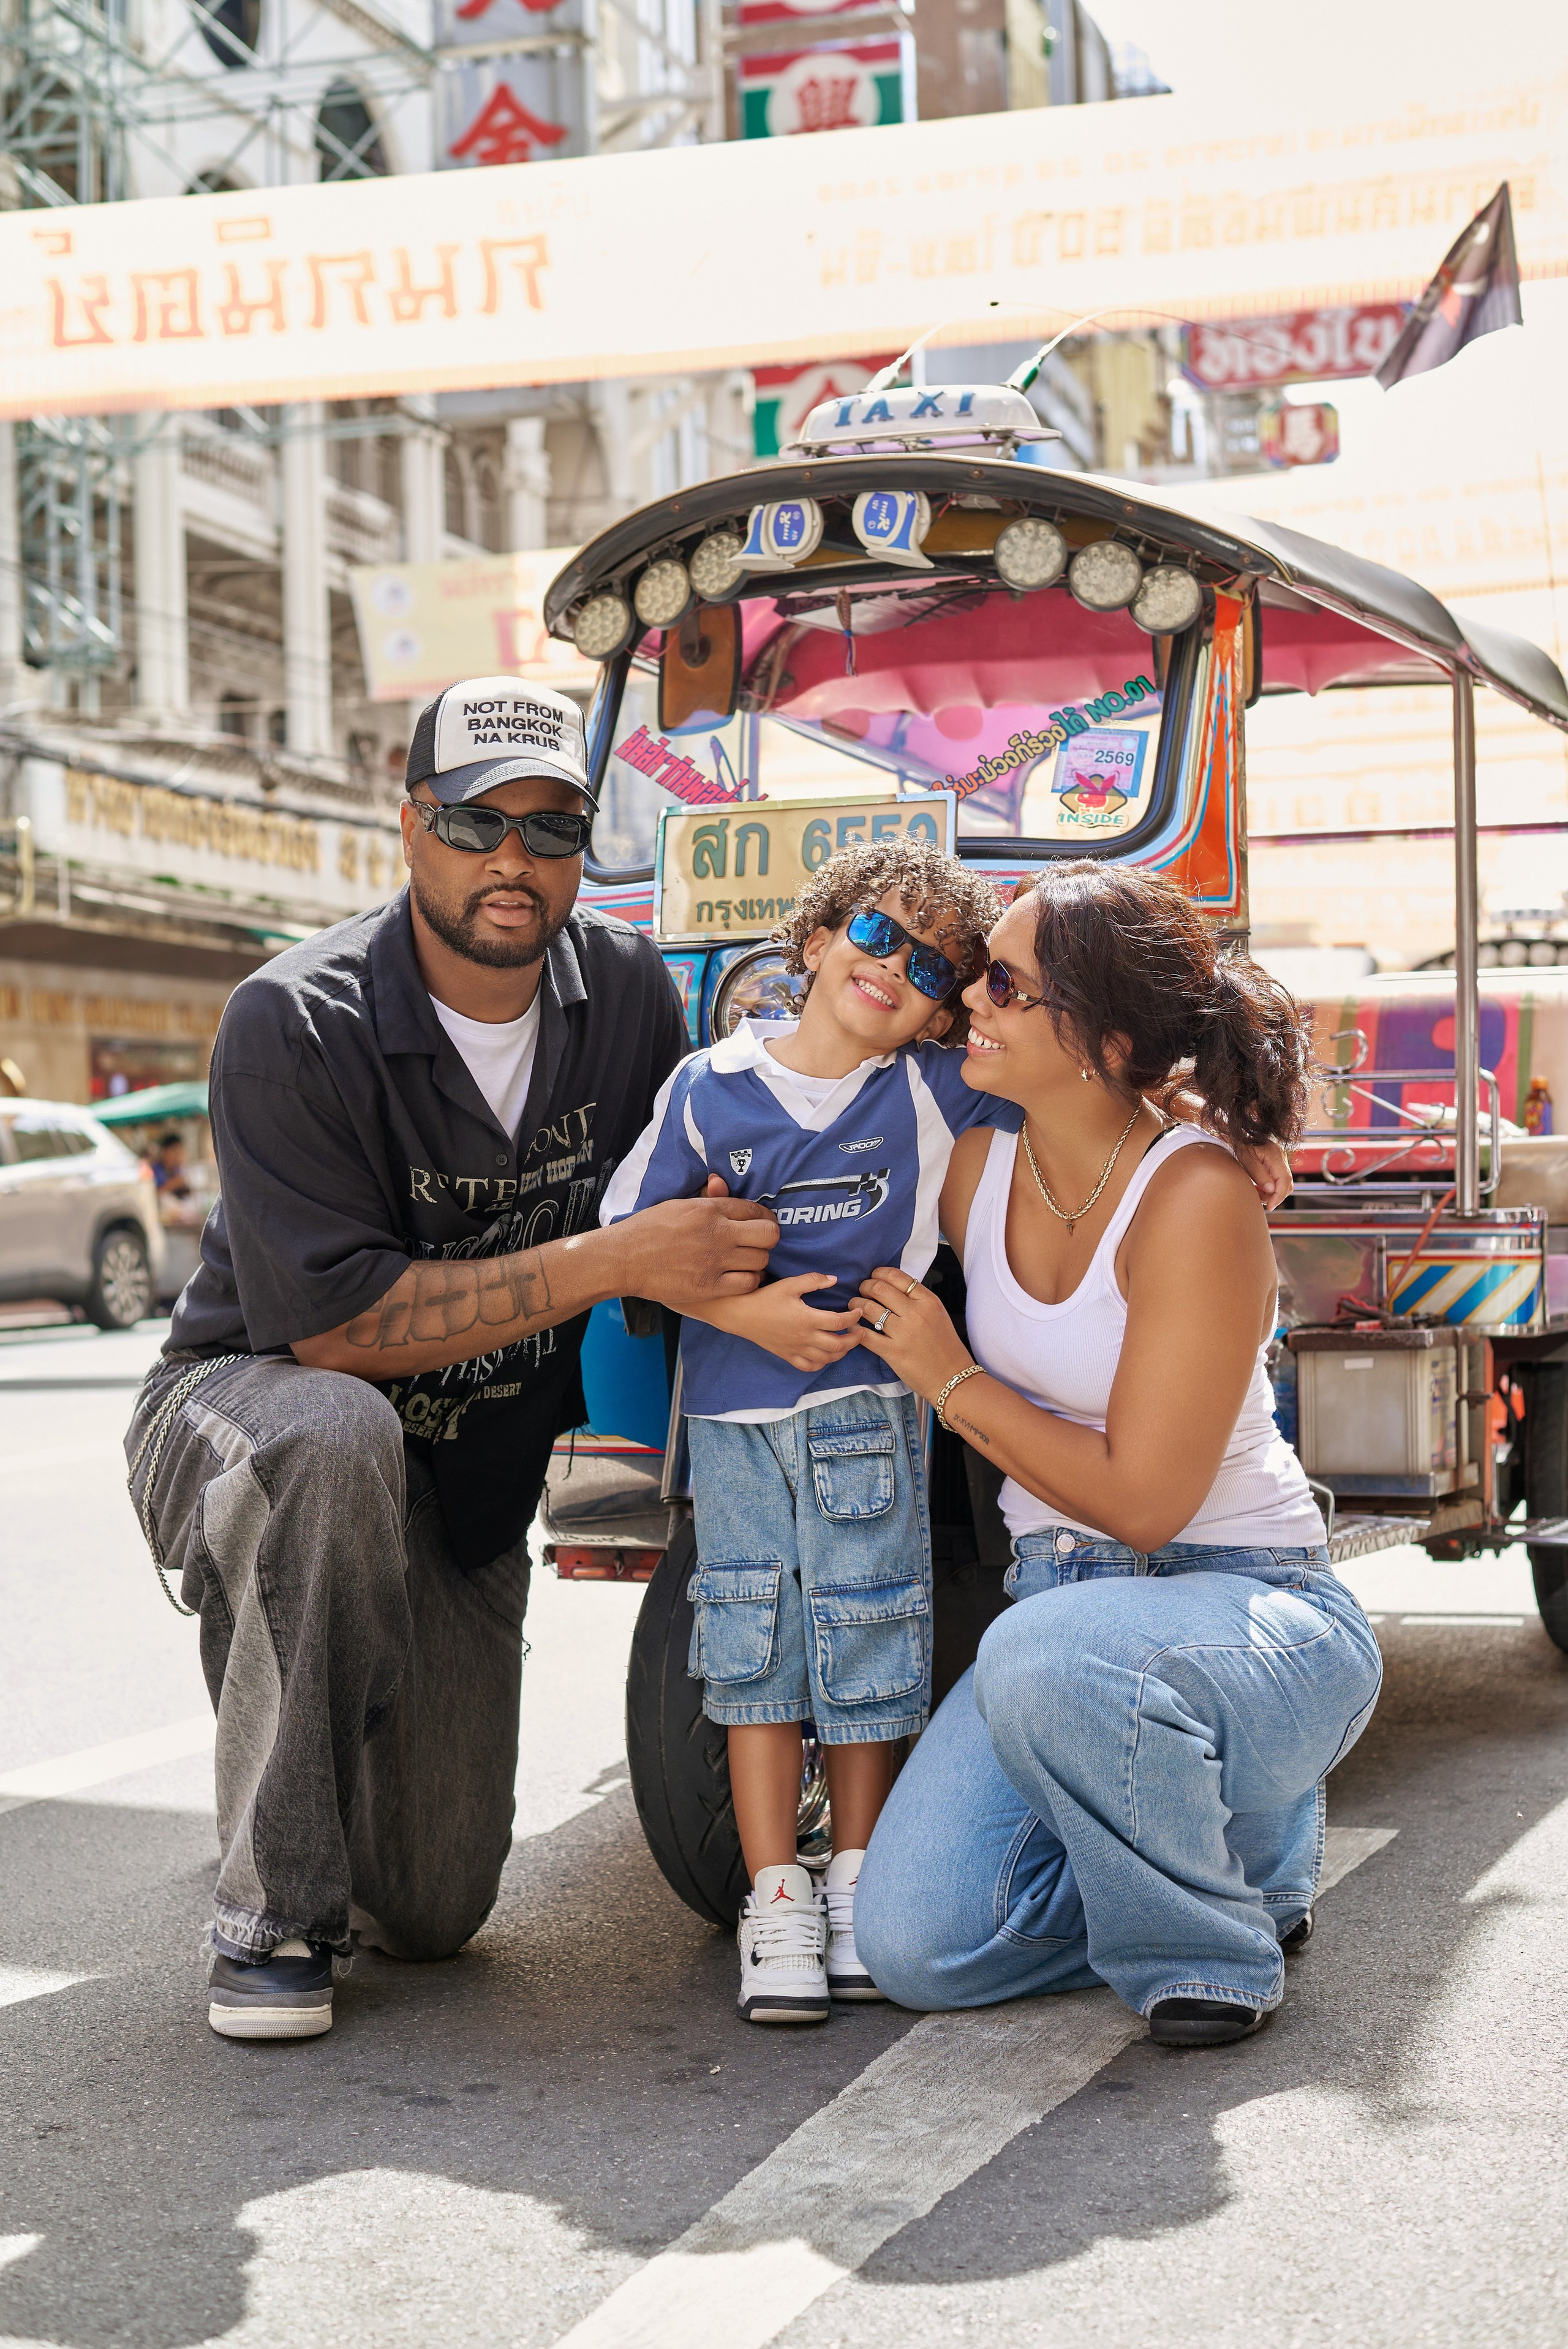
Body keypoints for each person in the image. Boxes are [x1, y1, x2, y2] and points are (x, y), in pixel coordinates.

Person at [125, 675, 778, 2044]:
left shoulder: (626, 997)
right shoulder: (292, 1019)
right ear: (412, 822)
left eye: (553, 829)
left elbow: (699, 1206)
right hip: (244, 1413)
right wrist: (612, 1260)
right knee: (333, 1437)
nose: (512, 861)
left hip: (465, 1481)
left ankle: (306, 1685)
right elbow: (335, 1332)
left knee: (432, 1912)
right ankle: (268, 1916)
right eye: (477, 822)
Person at [851, 861, 1384, 2048]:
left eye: (1003, 984)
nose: (969, 1000)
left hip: (1247, 1609)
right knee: (916, 1944)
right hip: (1063, 1616)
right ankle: (1231, 1858)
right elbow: (848, 1059)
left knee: (1037, 1651)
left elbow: (1144, 1505)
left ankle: (1208, 1950)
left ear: (1105, 1041)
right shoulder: (976, 1172)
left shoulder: (1193, 1196)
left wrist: (951, 1380)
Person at [601, 840, 1009, 2024]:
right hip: (731, 1423)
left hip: (868, 1416)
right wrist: (749, 1315)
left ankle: (862, 1886)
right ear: (819, 939)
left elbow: (1071, 1076)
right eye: (879, 933)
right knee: (752, 1647)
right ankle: (777, 1897)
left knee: (871, 1631)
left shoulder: (933, 1091)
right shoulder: (705, 1087)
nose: (896, 968)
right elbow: (628, 1243)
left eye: (932, 968)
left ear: (944, 1010)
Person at [151, 1133, 190, 1199]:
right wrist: (173, 1184)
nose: (177, 1156)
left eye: (179, 1152)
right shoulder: (155, 1171)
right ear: (164, 1152)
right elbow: (153, 1196)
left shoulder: (177, 1170)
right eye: (174, 1151)